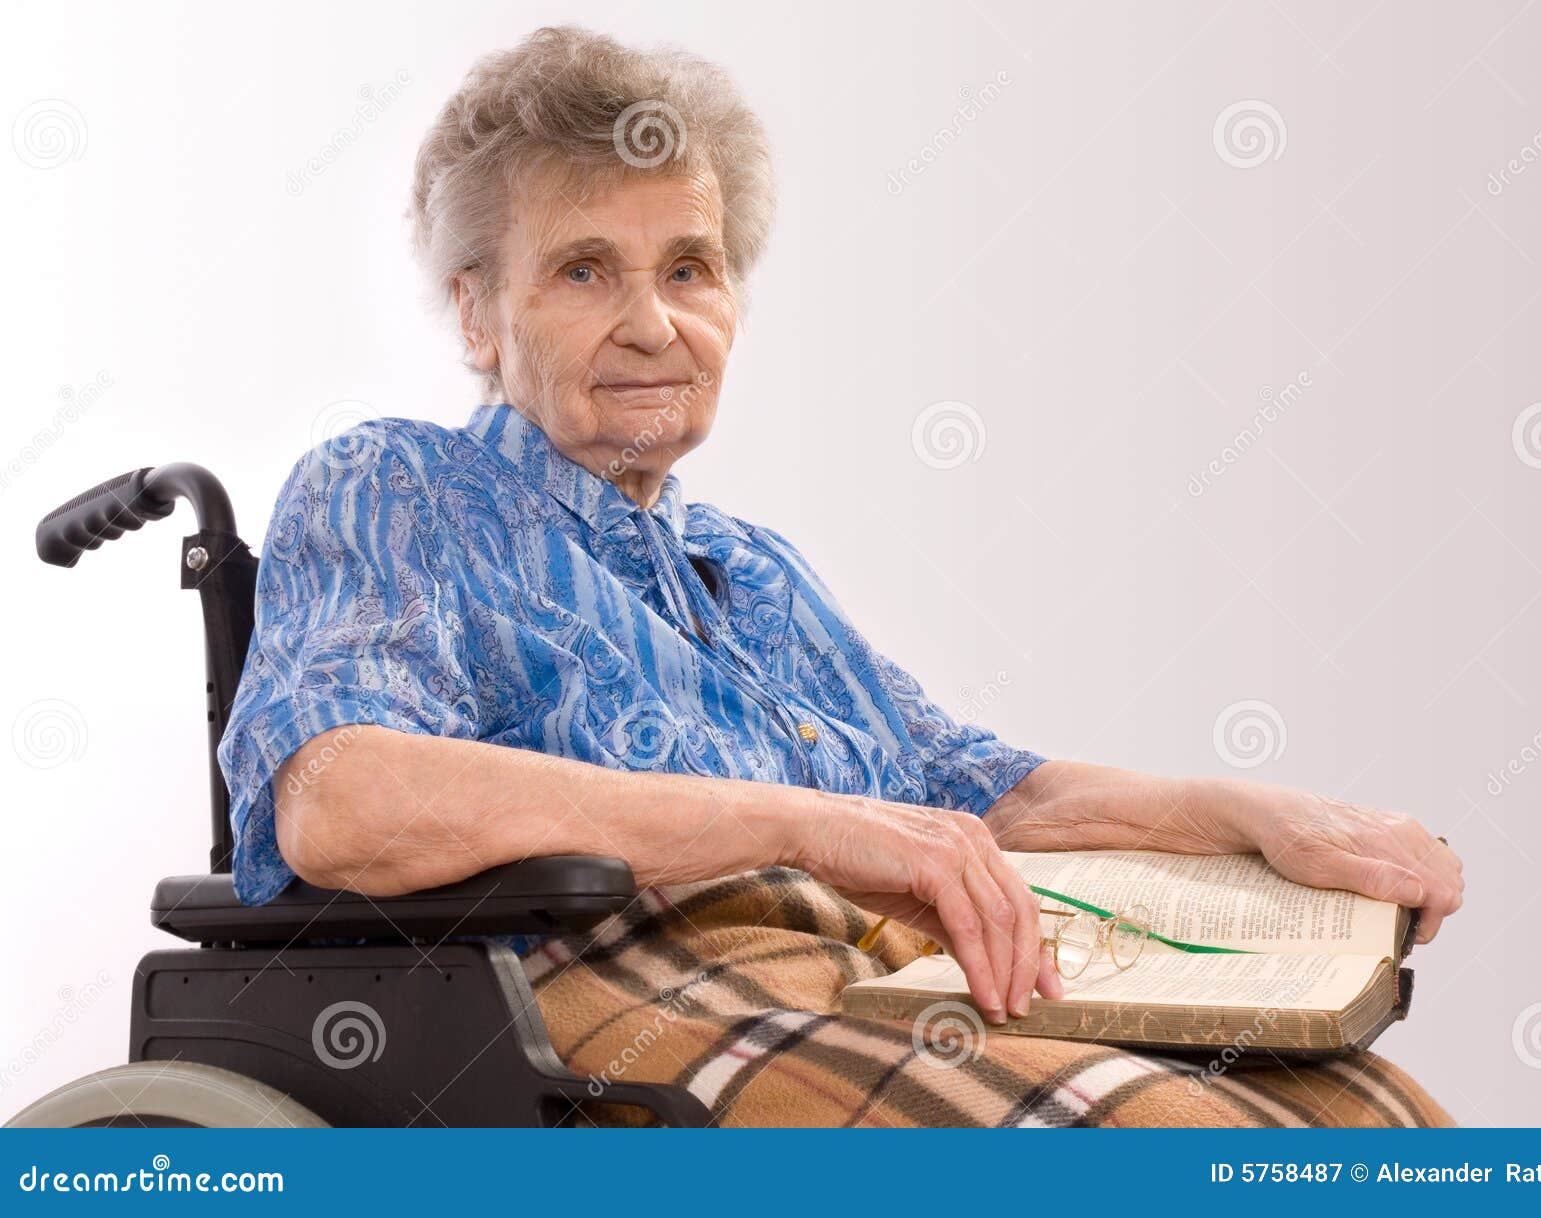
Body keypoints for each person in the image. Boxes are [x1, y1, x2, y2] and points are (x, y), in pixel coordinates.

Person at [218, 25, 1462, 1034]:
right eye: (585, 269)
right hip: (616, 1013)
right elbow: (343, 798)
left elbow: (982, 793)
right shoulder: (397, 486)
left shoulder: (750, 572)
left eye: (692, 269)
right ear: (478, 314)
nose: (654, 324)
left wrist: (1254, 816)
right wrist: (799, 820)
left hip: (877, 993)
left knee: (1351, 1113)